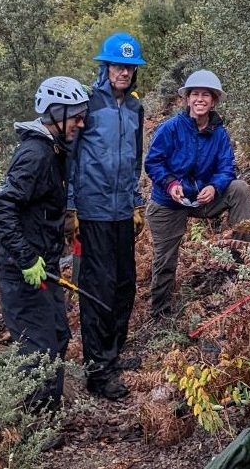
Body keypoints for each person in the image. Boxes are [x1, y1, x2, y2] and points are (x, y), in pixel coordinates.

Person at [0, 76, 89, 409]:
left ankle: (47, 419)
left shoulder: (55, 150)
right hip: (24, 271)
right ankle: (37, 430)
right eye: (75, 116)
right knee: (37, 348)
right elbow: (0, 208)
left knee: (58, 335)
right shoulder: (35, 154)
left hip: (43, 267)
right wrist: (27, 259)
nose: (81, 122)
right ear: (56, 113)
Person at [68, 32, 146, 400]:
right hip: (93, 212)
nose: (124, 72)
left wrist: (135, 203)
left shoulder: (135, 108)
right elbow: (70, 156)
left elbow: (136, 159)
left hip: (120, 213)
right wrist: (72, 208)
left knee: (124, 287)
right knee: (97, 291)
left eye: (129, 67)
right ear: (105, 66)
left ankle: (113, 355)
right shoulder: (87, 103)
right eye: (118, 65)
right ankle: (97, 371)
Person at [145, 69, 250, 319]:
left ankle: (245, 266)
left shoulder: (218, 133)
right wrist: (171, 184)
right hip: (168, 201)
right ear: (187, 99)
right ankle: (160, 313)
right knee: (165, 258)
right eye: (195, 94)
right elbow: (153, 162)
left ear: (213, 100)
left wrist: (214, 187)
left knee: (239, 188)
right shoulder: (171, 128)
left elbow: (227, 167)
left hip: (202, 198)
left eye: (206, 95)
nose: (200, 99)